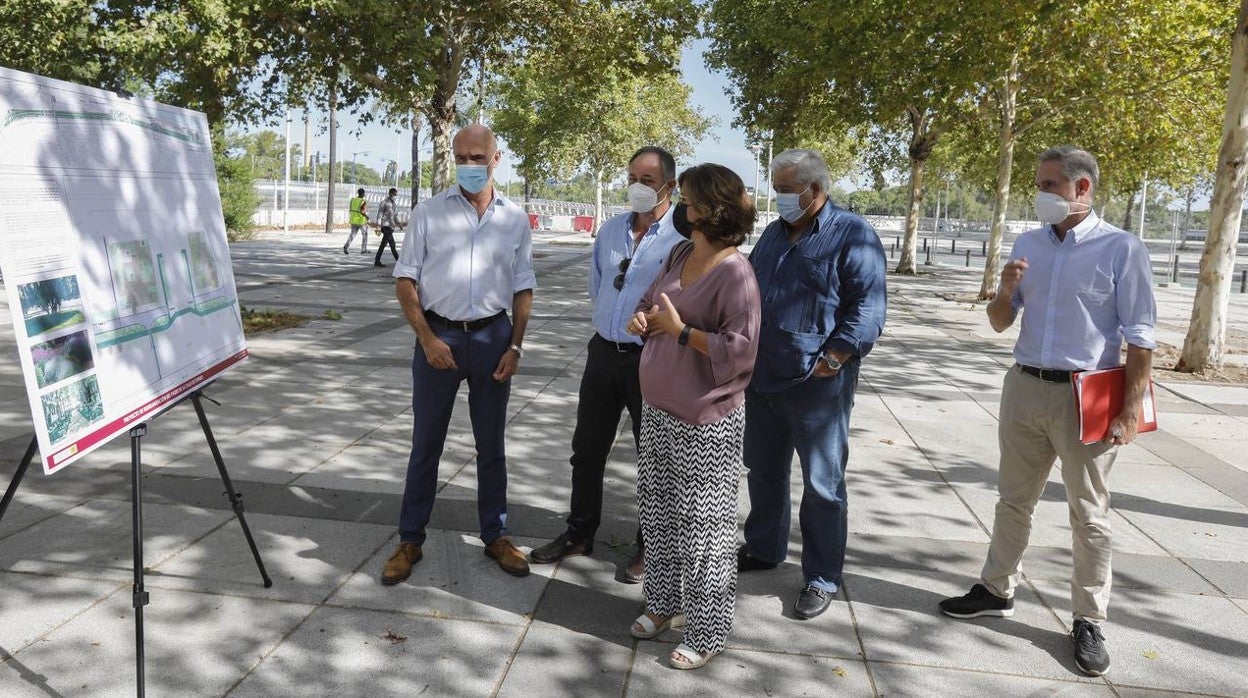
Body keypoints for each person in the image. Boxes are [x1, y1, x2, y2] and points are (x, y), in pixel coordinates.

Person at [939, 146, 1156, 678]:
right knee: (1013, 499)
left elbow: (1141, 337)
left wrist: (1129, 411)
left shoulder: (1121, 249)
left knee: (1090, 514)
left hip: (1087, 394)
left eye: (1050, 185)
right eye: (1038, 184)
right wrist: (1006, 289)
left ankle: (1089, 619)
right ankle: (996, 587)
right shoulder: (1029, 242)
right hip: (1024, 387)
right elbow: (997, 322)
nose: (1040, 195)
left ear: (1082, 189)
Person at [381, 124, 536, 583]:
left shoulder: (515, 219)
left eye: (477, 157)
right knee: (426, 443)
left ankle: (496, 535)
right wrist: (427, 339)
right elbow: (405, 280)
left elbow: (524, 287)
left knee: (492, 445)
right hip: (439, 340)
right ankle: (410, 539)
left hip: (493, 341)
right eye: (461, 157)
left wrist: (516, 346)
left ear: (496, 158)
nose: (470, 165)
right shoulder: (428, 213)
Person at [738, 148, 887, 621]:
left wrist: (837, 355)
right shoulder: (773, 235)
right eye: (777, 189)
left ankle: (821, 576)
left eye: (785, 191)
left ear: (815, 190)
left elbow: (868, 306)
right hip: (763, 378)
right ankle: (763, 548)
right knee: (762, 471)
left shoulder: (853, 234)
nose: (779, 199)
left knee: (822, 484)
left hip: (817, 384)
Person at [626, 163, 760, 670]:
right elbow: (650, 303)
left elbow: (741, 350)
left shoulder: (735, 273)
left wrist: (682, 332)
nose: (681, 210)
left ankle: (708, 629)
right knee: (658, 515)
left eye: (687, 202)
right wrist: (644, 318)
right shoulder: (681, 252)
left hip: (706, 420)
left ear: (710, 210)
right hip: (659, 408)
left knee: (705, 526)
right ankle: (663, 604)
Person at [529, 146, 683, 584]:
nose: (637, 186)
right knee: (587, 450)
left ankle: (649, 546)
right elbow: (598, 286)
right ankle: (579, 532)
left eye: (648, 180)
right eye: (632, 176)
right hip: (603, 353)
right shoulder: (612, 229)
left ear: (669, 186)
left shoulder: (681, 239)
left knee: (653, 458)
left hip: (650, 359)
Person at [374, 188, 402, 267]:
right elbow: (379, 214)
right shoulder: (384, 203)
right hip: (385, 225)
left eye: (396, 195)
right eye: (394, 194)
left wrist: (398, 223)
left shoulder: (394, 204)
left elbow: (394, 215)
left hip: (391, 226)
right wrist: (378, 225)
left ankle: (377, 260)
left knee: (383, 244)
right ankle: (398, 261)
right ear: (390, 194)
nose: (395, 196)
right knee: (392, 243)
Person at [344, 188, 370, 254]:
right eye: (364, 193)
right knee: (365, 235)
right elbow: (362, 211)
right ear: (362, 193)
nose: (364, 194)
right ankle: (363, 249)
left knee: (352, 234)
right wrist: (367, 217)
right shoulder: (362, 201)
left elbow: (350, 209)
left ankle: (346, 246)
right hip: (361, 221)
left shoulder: (353, 200)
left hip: (353, 220)